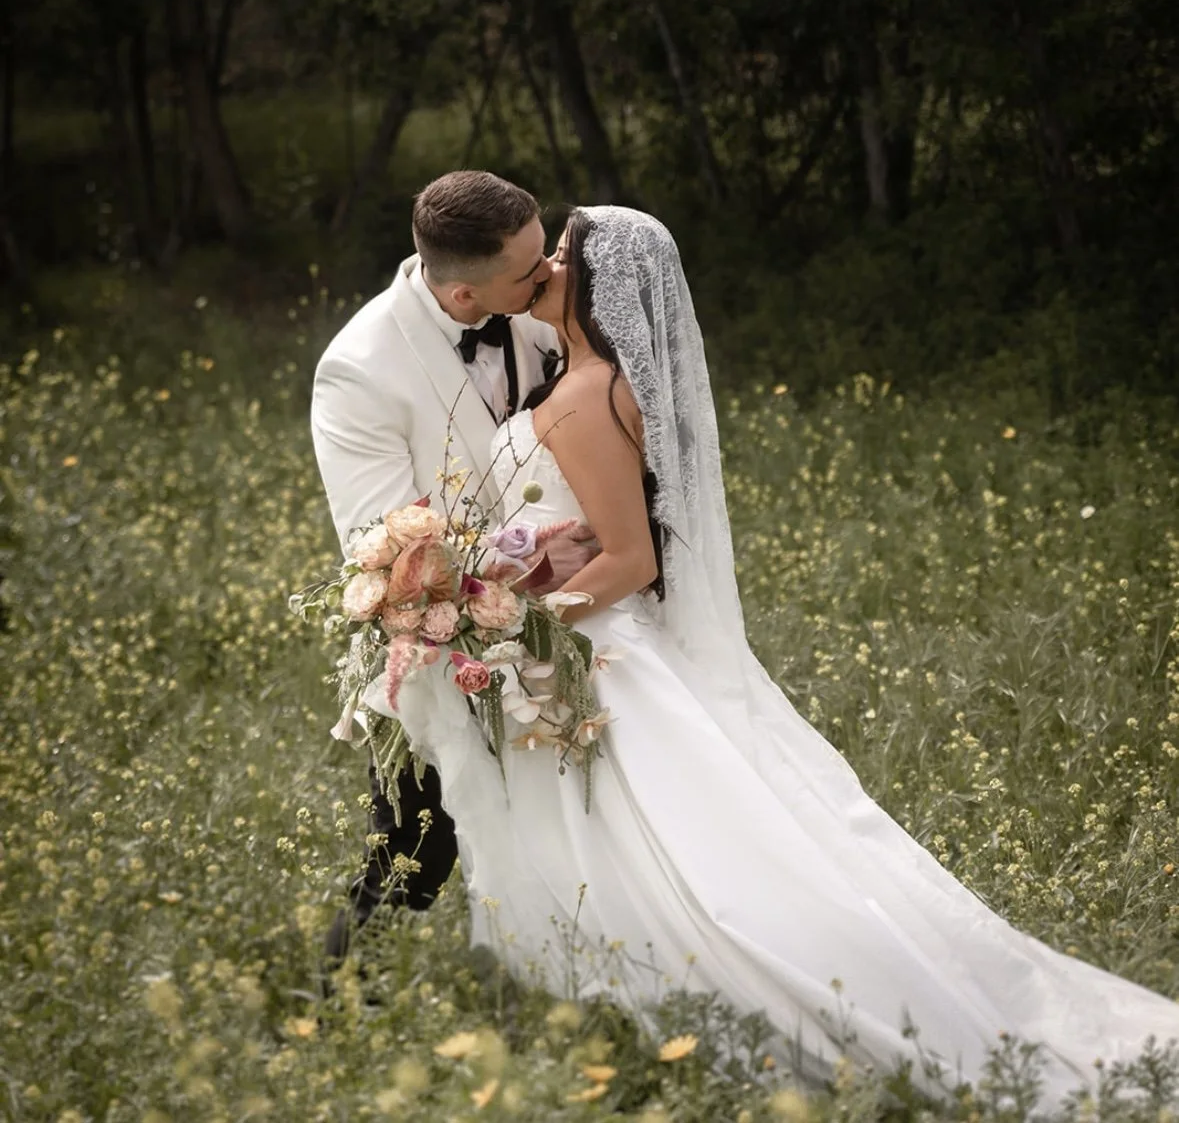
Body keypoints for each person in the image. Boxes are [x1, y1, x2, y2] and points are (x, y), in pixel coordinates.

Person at [393, 204, 1179, 1107]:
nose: (545, 269)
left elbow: (632, 558)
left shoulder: (580, 399)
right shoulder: (580, 382)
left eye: (561, 257)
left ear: (599, 285)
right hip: (588, 640)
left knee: (692, 857)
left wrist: (510, 623)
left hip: (595, 651)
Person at [310, 170, 590, 961]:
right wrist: (530, 564)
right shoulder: (359, 370)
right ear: (467, 296)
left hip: (573, 616)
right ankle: (339, 1001)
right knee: (414, 850)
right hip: (438, 644)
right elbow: (390, 550)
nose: (553, 277)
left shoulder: (539, 314)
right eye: (532, 270)